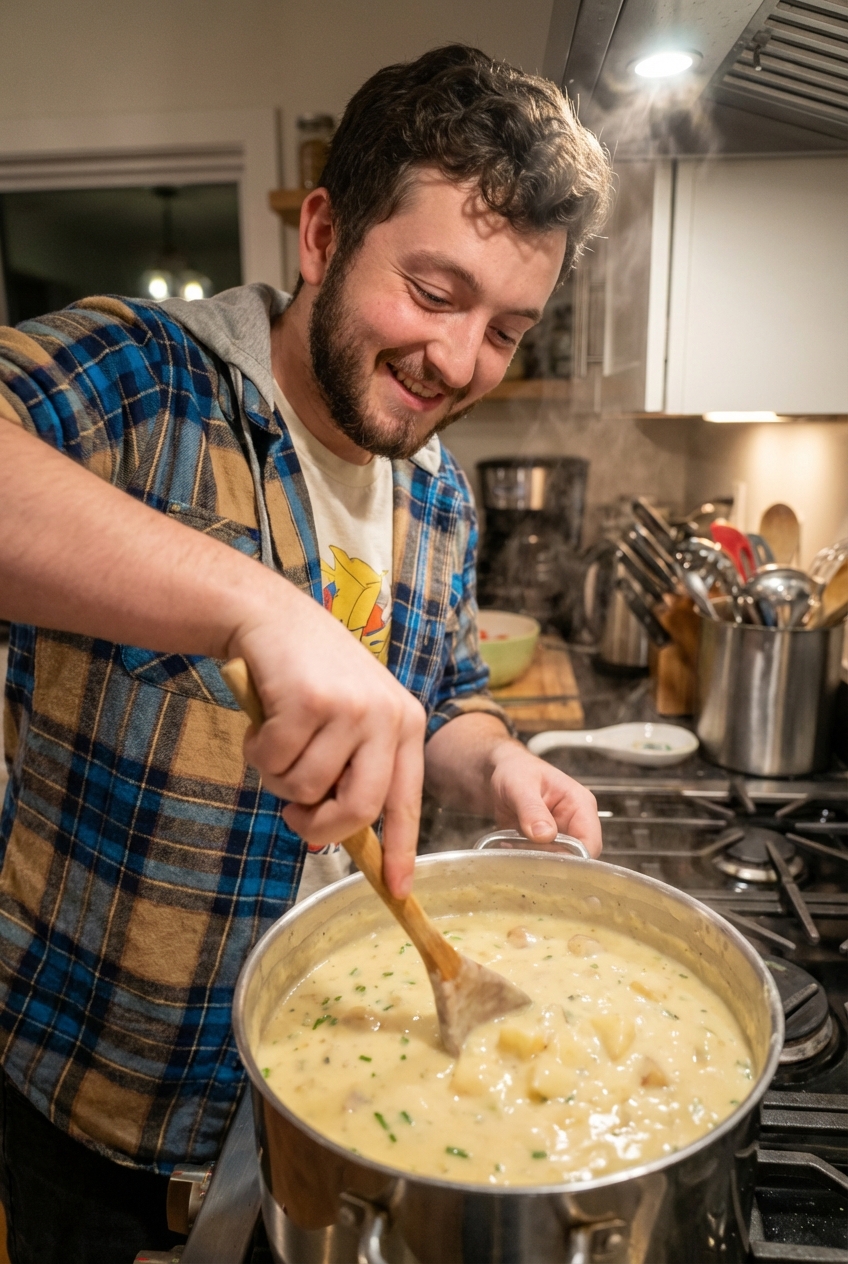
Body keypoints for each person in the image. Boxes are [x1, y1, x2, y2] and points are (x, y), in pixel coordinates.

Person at [0, 44, 611, 1262]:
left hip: (331, 1096)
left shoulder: (437, 493)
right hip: (100, 1110)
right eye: (432, 293)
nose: (459, 363)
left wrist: (493, 763)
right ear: (323, 235)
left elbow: (443, 695)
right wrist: (255, 606)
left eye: (503, 330)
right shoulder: (152, 382)